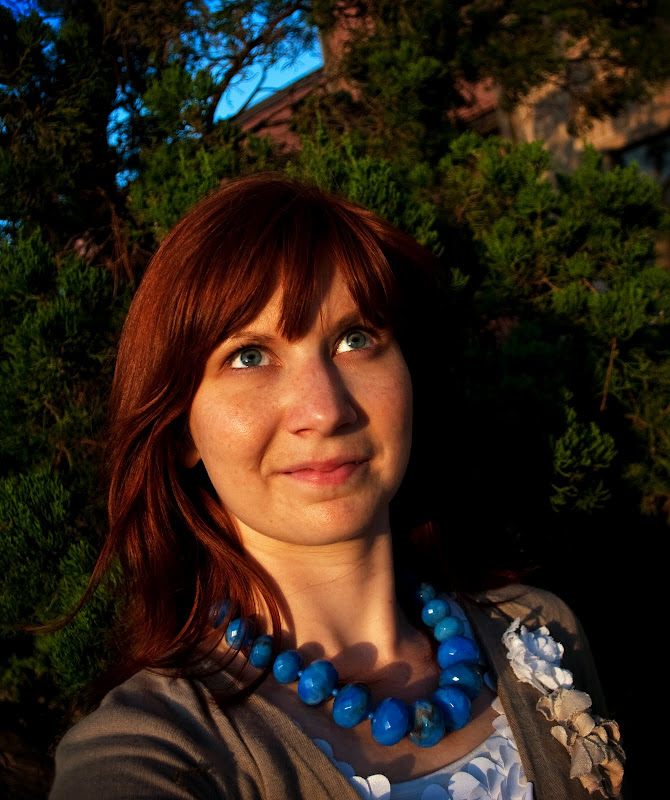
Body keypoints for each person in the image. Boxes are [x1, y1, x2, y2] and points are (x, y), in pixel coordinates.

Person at [50, 175, 623, 800]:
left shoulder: (542, 632)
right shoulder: (155, 750)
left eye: (356, 339)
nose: (324, 411)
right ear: (180, 430)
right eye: (249, 356)